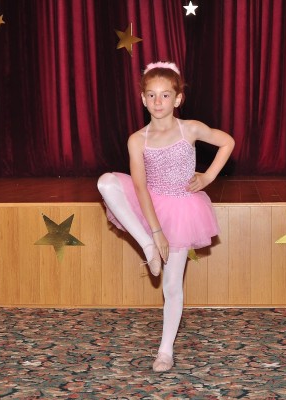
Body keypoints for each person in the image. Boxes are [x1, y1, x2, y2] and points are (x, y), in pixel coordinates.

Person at [97, 61, 235, 372]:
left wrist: (209, 176)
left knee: (171, 286)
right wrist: (155, 234)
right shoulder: (137, 139)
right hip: (150, 204)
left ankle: (165, 351)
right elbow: (140, 187)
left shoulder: (190, 128)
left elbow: (227, 141)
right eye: (151, 95)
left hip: (182, 209)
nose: (158, 102)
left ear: (178, 98)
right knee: (105, 182)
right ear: (142, 99)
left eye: (165, 95)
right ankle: (146, 246)